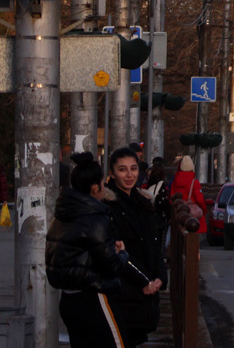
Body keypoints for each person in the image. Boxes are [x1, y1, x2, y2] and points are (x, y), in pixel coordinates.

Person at [46, 151, 158, 348]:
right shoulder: (96, 217)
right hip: (94, 297)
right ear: (95, 187)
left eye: (134, 169)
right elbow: (111, 263)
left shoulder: (63, 214)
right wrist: (121, 253)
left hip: (69, 298)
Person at [104, 147, 166, 347]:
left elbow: (155, 245)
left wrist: (160, 277)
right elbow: (115, 252)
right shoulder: (108, 206)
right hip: (123, 290)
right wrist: (144, 281)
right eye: (122, 170)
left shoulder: (143, 203)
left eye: (133, 169)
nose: (129, 175)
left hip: (146, 291)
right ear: (112, 173)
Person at [168, 156, 206, 233]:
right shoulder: (194, 182)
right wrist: (204, 209)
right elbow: (199, 199)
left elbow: (171, 198)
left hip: (179, 214)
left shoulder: (175, 181)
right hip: (192, 214)